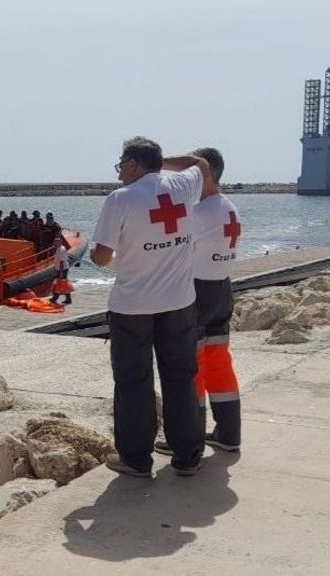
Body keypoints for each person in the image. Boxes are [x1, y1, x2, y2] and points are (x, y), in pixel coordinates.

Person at [90, 136, 213, 478]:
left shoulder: (121, 198)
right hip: (179, 303)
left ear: (132, 164)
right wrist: (160, 162)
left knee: (133, 382)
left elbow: (101, 255)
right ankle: (187, 455)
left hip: (133, 306)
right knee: (180, 377)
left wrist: (117, 257)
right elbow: (201, 163)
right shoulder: (184, 185)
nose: (118, 176)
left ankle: (136, 459)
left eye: (120, 167)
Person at [157, 147, 241, 454]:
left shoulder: (201, 213)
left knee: (188, 366)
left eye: (189, 175)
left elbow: (170, 249)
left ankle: (187, 439)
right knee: (218, 364)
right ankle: (229, 433)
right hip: (221, 289)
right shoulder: (228, 206)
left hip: (197, 293)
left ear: (204, 175)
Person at [50, 237, 73, 305]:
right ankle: (67, 299)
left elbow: (62, 262)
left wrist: (61, 272)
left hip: (62, 269)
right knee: (63, 284)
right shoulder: (58, 249)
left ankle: (55, 298)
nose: (54, 243)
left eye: (55, 242)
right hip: (61, 268)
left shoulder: (61, 249)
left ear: (59, 242)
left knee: (60, 284)